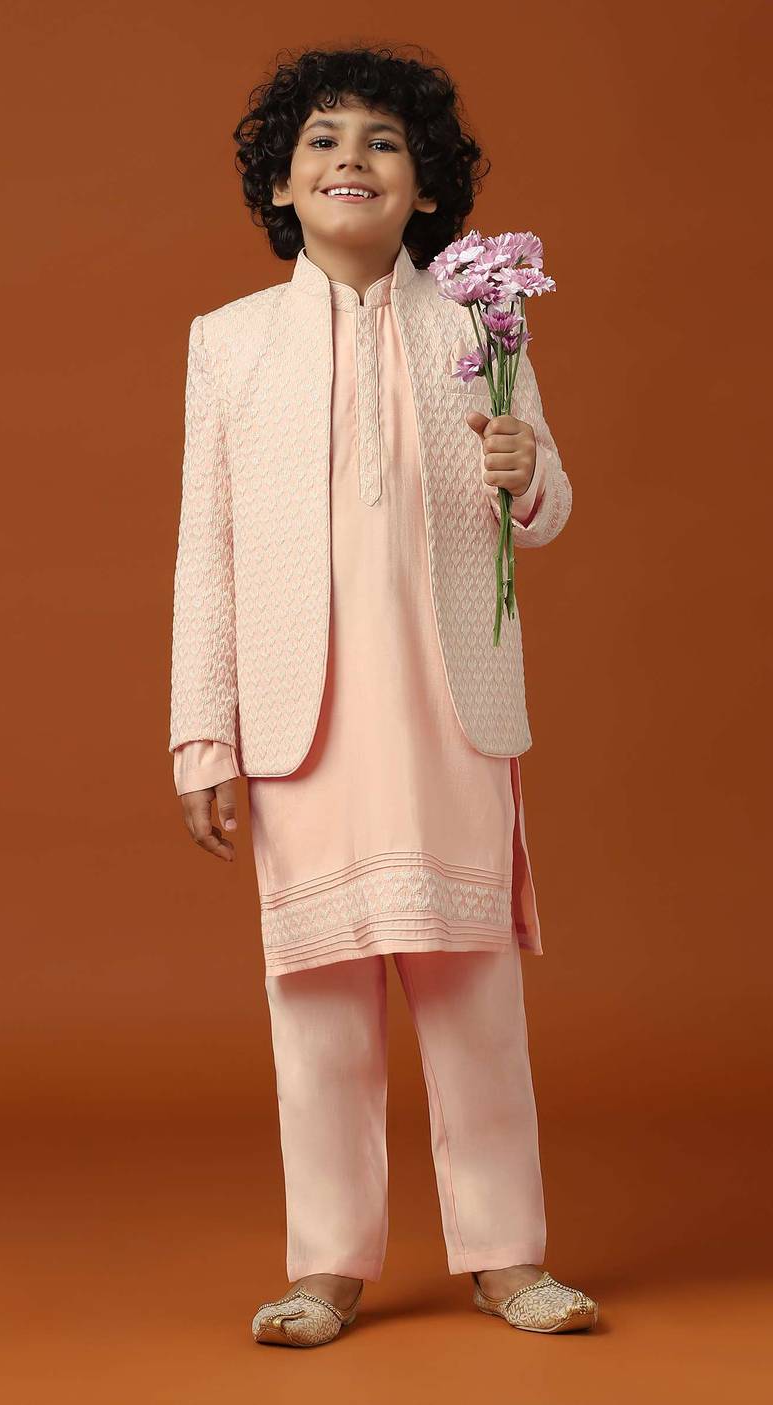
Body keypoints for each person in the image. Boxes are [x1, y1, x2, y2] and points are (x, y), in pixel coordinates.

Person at [168, 45, 598, 1343]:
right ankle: (327, 1265)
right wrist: (203, 733)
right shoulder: (230, 344)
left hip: (448, 709)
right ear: (281, 185)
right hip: (301, 720)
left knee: (472, 991)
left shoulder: (480, 330)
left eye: (383, 142)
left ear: (427, 188)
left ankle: (507, 1255)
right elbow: (207, 550)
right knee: (317, 1002)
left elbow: (547, 509)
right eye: (322, 141)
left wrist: (525, 469)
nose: (350, 159)